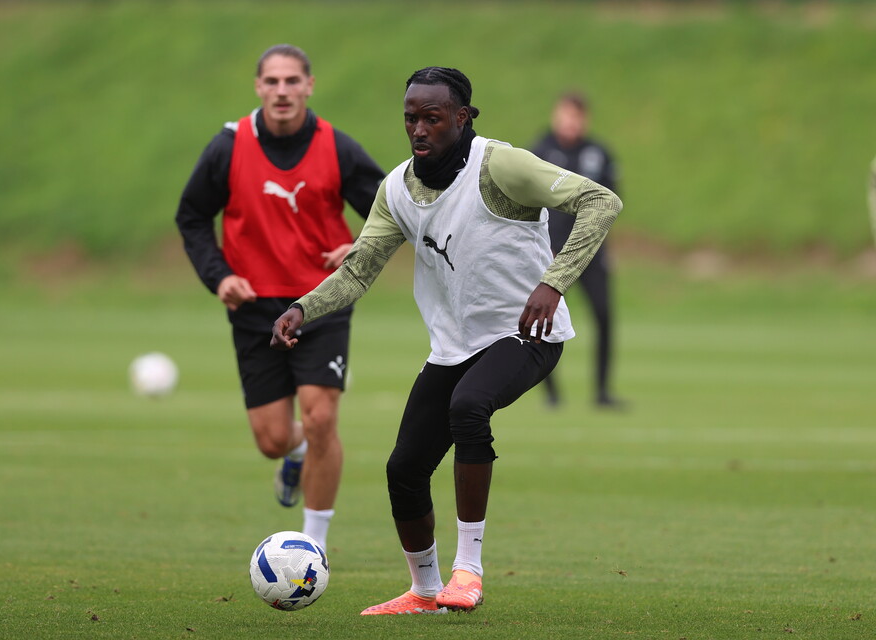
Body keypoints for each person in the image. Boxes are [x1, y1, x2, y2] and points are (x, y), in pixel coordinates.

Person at [271, 67, 621, 614]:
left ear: (462, 118)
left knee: (469, 406)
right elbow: (359, 270)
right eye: (411, 117)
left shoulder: (499, 165)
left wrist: (553, 282)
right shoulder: (396, 190)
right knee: (403, 469)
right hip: (455, 346)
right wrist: (302, 309)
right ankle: (426, 591)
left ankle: (469, 572)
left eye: (432, 117)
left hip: (526, 335)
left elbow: (601, 202)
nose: (418, 128)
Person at [174, 44, 384, 550]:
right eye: (273, 81)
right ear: (258, 88)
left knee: (321, 417)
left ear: (310, 85)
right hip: (254, 309)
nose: (283, 90)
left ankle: (311, 546)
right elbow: (192, 216)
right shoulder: (227, 147)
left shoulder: (338, 148)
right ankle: (294, 456)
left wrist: (358, 247)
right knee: (272, 439)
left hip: (321, 303)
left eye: (293, 80)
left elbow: (392, 211)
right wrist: (219, 277)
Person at [530, 92, 623, 408]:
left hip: (592, 253)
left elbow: (611, 201)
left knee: (604, 316)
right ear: (557, 115)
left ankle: (602, 392)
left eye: (577, 116)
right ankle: (550, 394)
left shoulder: (599, 154)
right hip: (552, 252)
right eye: (566, 115)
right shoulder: (539, 152)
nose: (571, 122)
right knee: (542, 321)